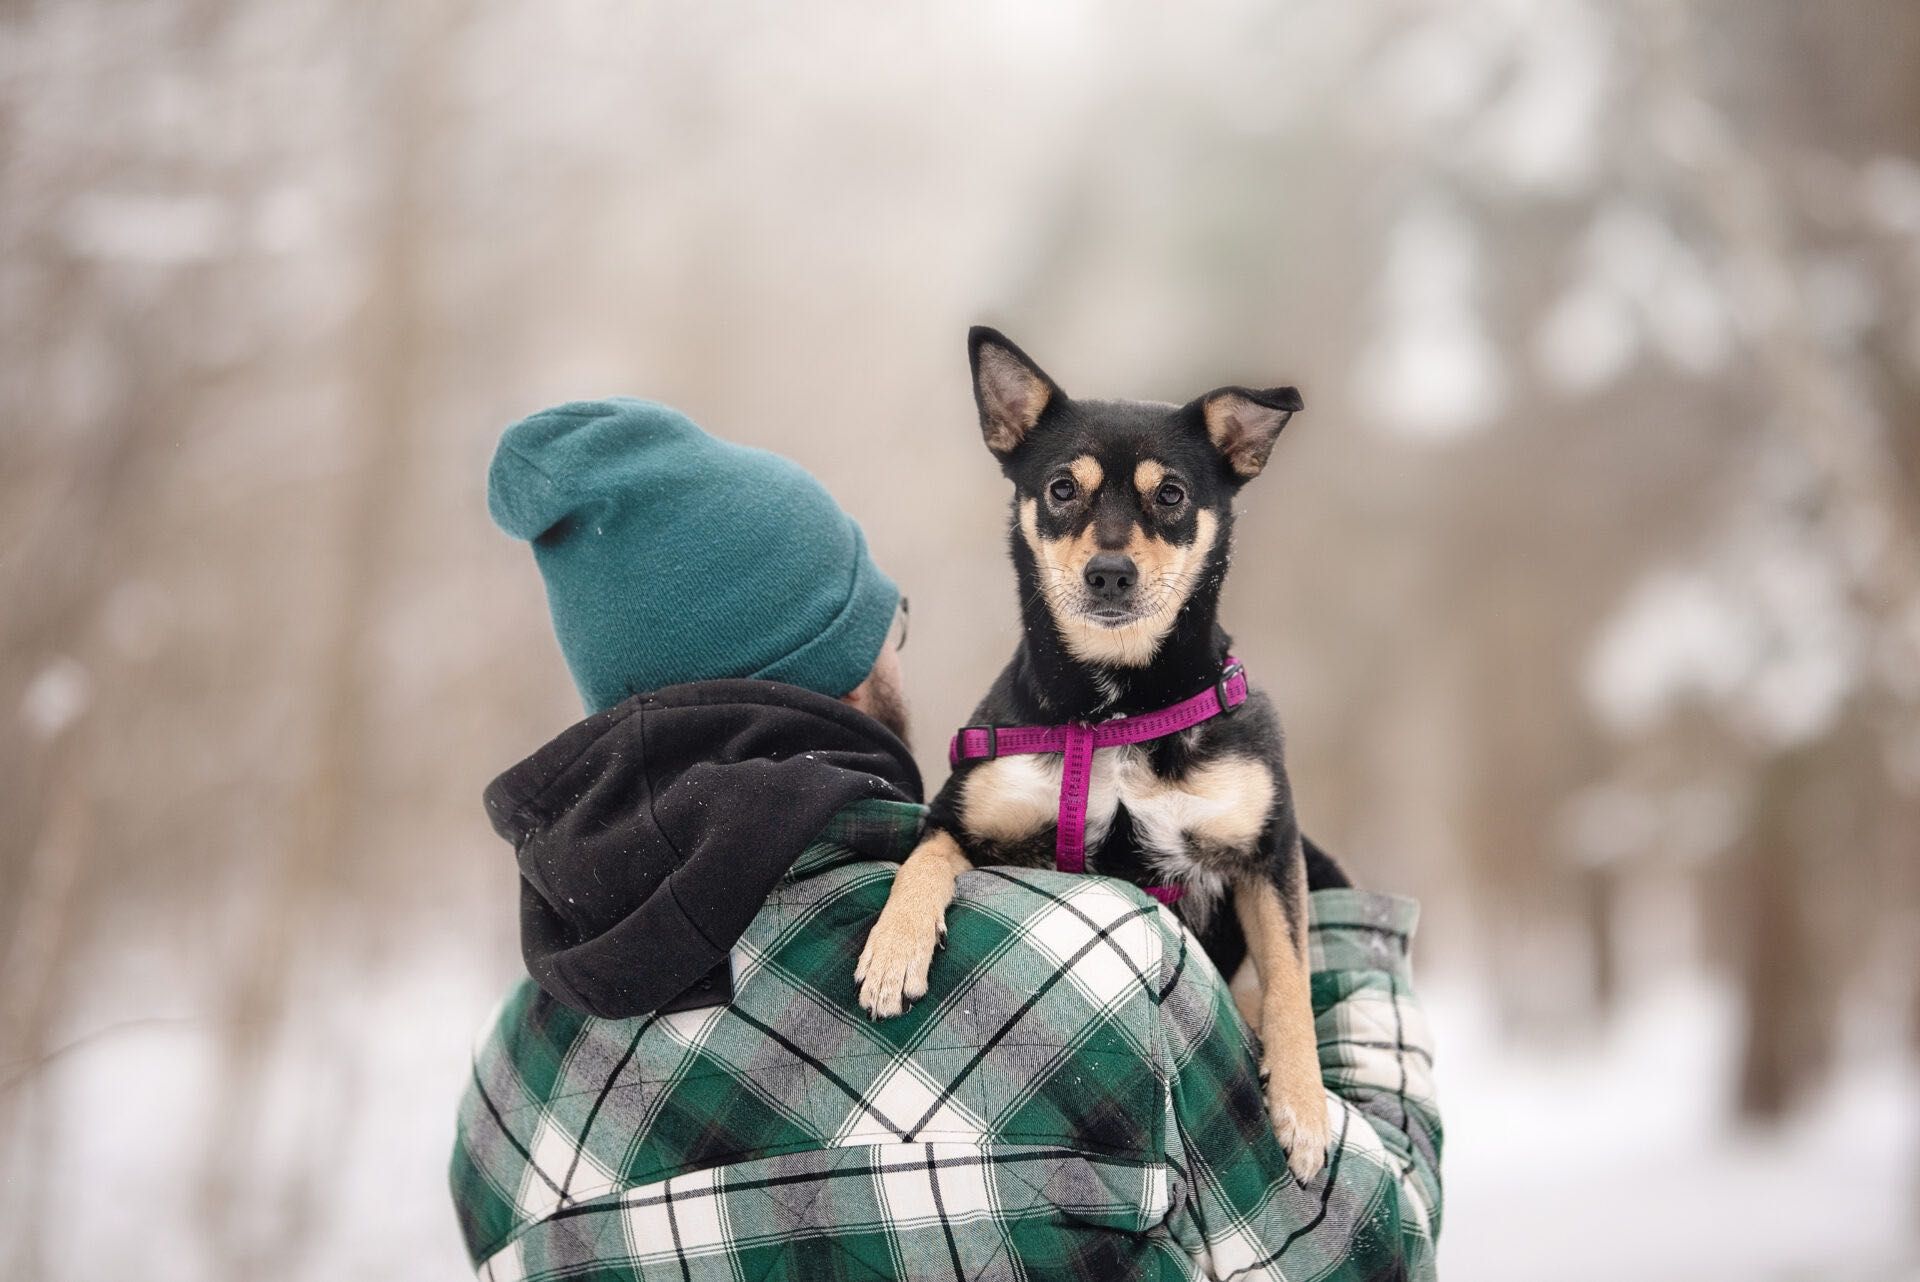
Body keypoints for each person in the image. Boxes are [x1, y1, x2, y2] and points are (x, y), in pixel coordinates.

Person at [449, 398, 1442, 1281]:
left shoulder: (504, 1095)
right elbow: (1370, 1251)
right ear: (836, 666)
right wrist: (1342, 942)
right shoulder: (1101, 968)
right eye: (889, 625)